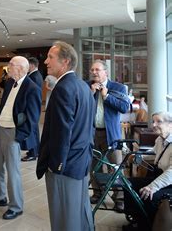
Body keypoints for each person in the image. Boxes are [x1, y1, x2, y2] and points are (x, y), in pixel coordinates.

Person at [36, 41, 95, 231]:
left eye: (51, 57)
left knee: (64, 219)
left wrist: (56, 166)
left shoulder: (63, 88)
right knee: (80, 214)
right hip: (80, 162)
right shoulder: (83, 86)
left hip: (65, 167)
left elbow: (62, 133)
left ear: (65, 62)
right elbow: (89, 127)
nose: (46, 61)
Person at [0, 56, 41, 220]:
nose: (8, 67)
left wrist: (19, 137)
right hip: (1, 130)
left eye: (11, 65)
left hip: (14, 133)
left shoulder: (32, 88)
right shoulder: (9, 83)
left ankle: (16, 206)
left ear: (21, 68)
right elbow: (2, 108)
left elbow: (32, 118)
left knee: (13, 171)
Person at [89, 60, 130, 212]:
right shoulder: (87, 86)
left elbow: (124, 107)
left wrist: (106, 97)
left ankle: (119, 198)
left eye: (97, 69)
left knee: (116, 166)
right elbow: (79, 107)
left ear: (106, 72)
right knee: (94, 165)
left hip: (111, 134)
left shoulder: (118, 87)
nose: (94, 72)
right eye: (92, 69)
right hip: (92, 133)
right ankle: (98, 193)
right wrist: (90, 93)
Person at [122, 111, 172, 231]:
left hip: (169, 182)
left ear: (170, 124)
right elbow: (154, 154)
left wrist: (152, 186)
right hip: (159, 175)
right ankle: (136, 218)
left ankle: (145, 226)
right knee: (129, 184)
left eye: (158, 121)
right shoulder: (160, 140)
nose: (154, 125)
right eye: (153, 121)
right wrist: (137, 156)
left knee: (150, 196)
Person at [22, 57, 43, 162]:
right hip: (34, 107)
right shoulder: (36, 75)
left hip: (32, 107)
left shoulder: (34, 76)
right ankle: (35, 150)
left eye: (28, 65)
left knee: (32, 130)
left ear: (32, 65)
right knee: (34, 130)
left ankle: (33, 153)